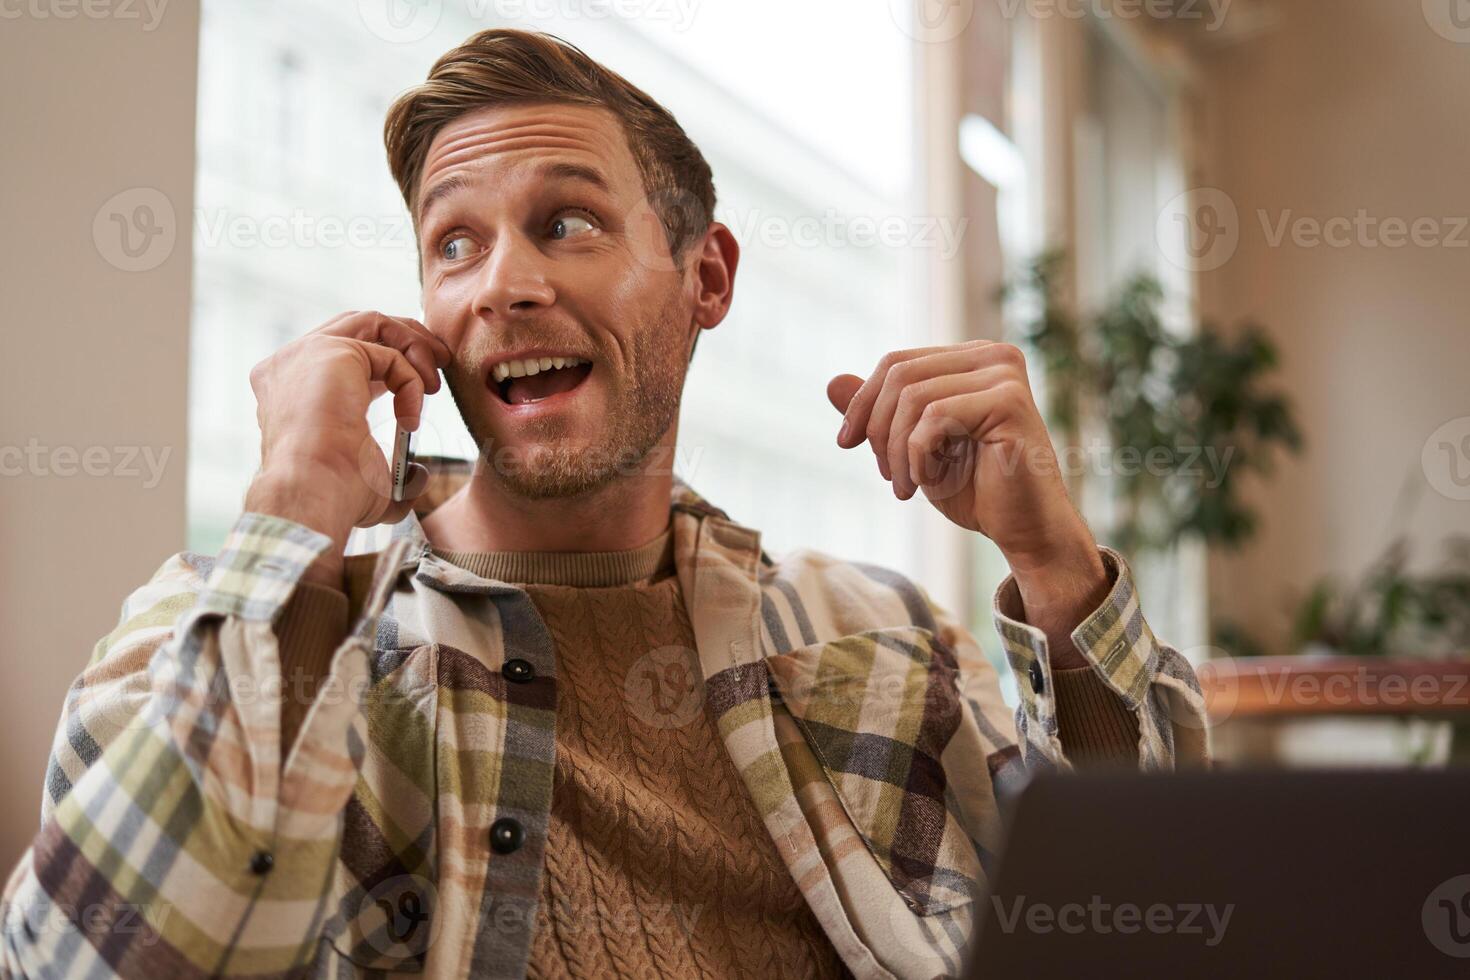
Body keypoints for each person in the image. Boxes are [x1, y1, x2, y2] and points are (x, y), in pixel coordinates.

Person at [1, 29, 1207, 980]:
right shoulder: (242, 623)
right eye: (454, 245)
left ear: (708, 276)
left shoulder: (879, 631)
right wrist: (294, 512)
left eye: (565, 223)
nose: (504, 286)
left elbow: (1157, 933)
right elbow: (107, 963)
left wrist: (1057, 570)